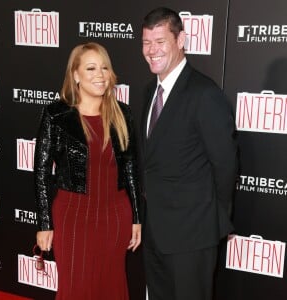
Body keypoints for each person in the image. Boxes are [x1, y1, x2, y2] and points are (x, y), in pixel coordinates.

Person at [140, 7, 238, 300]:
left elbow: (225, 164)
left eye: (160, 41)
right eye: (146, 42)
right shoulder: (148, 92)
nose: (152, 51)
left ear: (181, 39)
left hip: (192, 235)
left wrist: (211, 222)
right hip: (155, 230)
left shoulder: (204, 94)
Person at [33, 42, 141, 300]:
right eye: (91, 68)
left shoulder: (122, 114)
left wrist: (136, 217)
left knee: (111, 288)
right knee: (76, 290)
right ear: (76, 75)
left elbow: (130, 169)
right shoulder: (56, 115)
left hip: (115, 216)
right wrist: (45, 223)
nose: (100, 74)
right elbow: (41, 171)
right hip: (73, 217)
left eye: (104, 67)